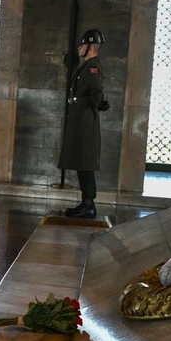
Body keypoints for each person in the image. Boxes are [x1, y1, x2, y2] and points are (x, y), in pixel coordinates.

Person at [59, 29, 107, 219]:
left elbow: (96, 89)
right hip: (81, 120)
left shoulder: (92, 66)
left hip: (85, 121)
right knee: (81, 161)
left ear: (90, 47)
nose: (79, 48)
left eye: (82, 45)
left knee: (85, 162)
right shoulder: (87, 65)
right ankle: (86, 203)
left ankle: (88, 204)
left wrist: (98, 103)